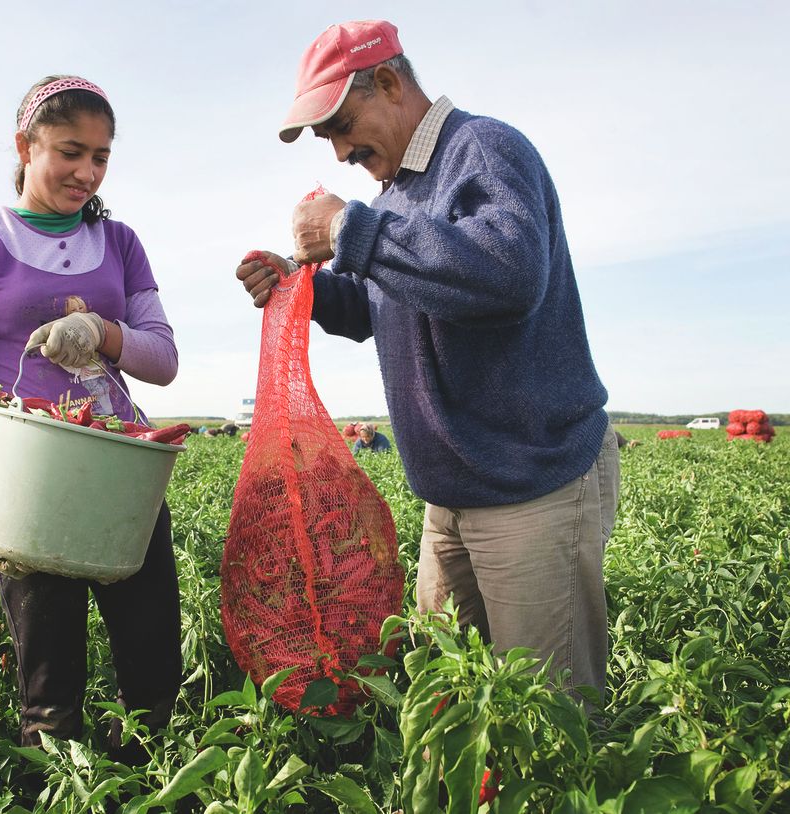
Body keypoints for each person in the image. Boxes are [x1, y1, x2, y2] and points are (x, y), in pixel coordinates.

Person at [236, 20, 619, 702]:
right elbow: (383, 309)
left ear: (389, 83)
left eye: (344, 125)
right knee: (446, 698)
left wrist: (349, 230)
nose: (342, 149)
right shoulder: (395, 197)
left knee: (548, 716)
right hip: (451, 498)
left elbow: (507, 272)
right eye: (328, 138)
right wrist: (310, 290)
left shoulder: (483, 149)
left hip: (531, 485)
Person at [0, 74, 182, 763]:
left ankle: (147, 792)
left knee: (155, 679)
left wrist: (102, 331)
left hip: (122, 473)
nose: (87, 171)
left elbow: (162, 359)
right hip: (32, 485)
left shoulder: (120, 242)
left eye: (100, 156)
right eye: (71, 151)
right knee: (51, 695)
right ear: (24, 146)